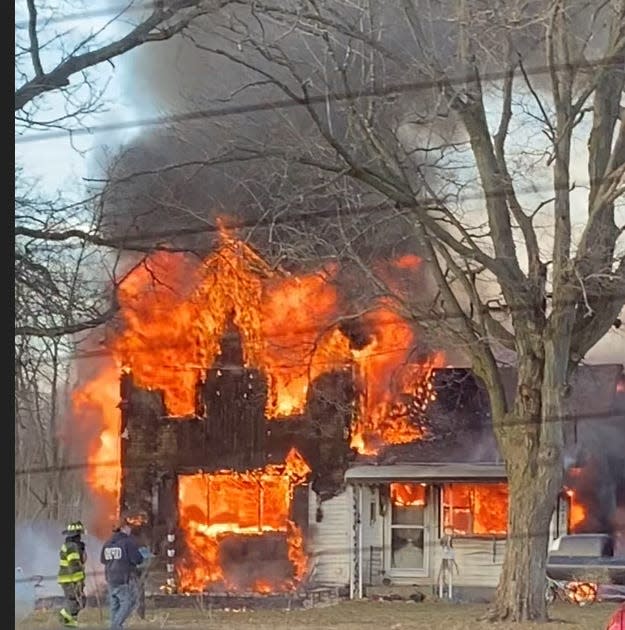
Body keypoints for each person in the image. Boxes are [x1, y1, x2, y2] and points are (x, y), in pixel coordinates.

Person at [100, 517, 144, 630]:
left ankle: (114, 627)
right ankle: (116, 626)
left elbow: (103, 560)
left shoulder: (108, 543)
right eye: (129, 527)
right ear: (123, 528)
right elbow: (137, 559)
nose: (130, 530)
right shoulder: (127, 542)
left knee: (115, 605)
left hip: (110, 578)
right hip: (123, 578)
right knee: (129, 602)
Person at [57, 521, 87, 628]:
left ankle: (71, 622)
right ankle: (65, 618)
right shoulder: (71, 547)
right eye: (79, 534)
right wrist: (78, 581)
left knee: (78, 601)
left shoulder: (71, 546)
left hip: (70, 579)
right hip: (70, 580)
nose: (80, 537)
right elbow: (74, 565)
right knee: (74, 601)